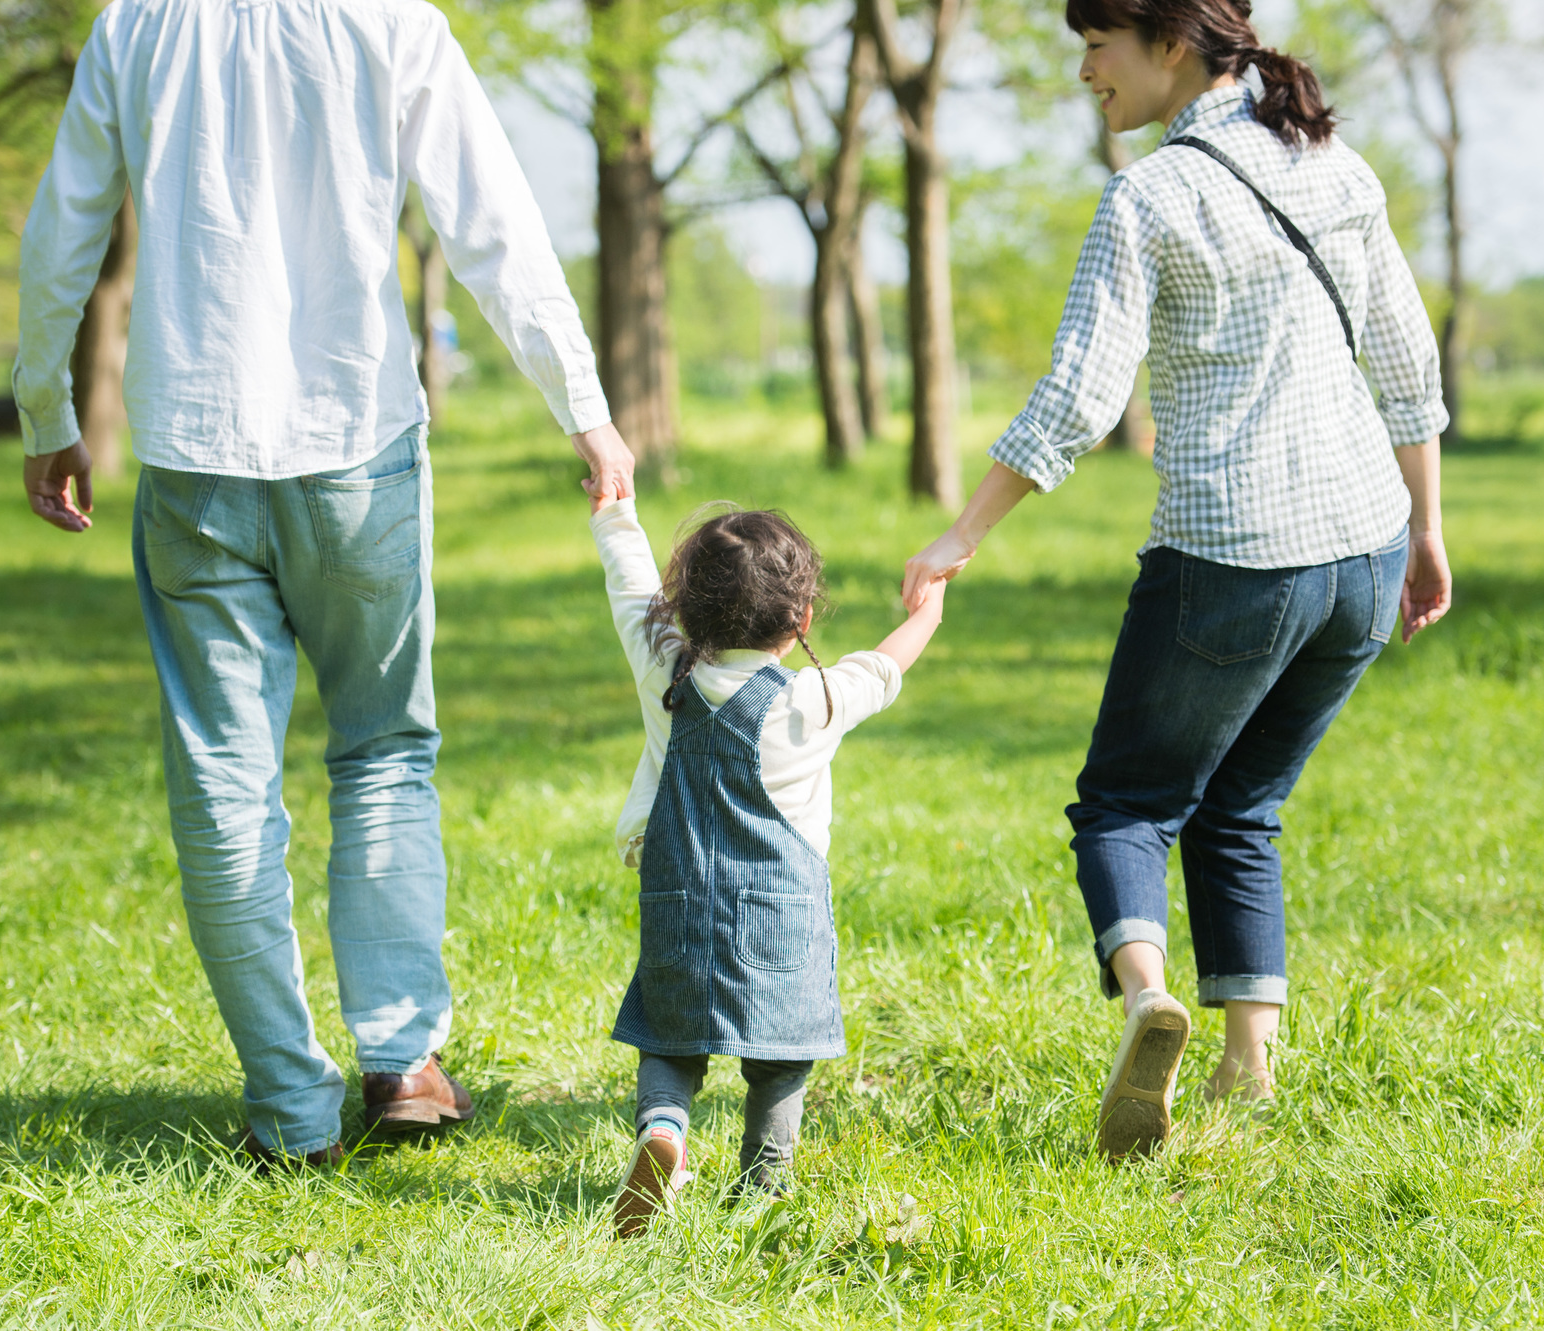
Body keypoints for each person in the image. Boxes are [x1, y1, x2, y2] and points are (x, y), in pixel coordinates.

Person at [12, 0, 634, 1166]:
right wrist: (584, 409)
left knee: (220, 774)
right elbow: (492, 218)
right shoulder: (391, 20)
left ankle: (289, 1103)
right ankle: (401, 1059)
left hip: (191, 451)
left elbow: (62, 227)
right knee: (383, 749)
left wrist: (46, 408)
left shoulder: (134, 26)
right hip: (357, 441)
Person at [901, 0, 1452, 1161]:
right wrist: (1425, 531)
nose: (1085, 72)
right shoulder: (1329, 158)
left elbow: (1077, 398)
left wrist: (959, 536)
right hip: (1360, 549)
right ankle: (1244, 1067)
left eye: (1097, 44)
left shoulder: (1146, 198)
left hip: (1232, 557)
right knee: (1242, 804)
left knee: (1126, 803)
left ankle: (1148, 994)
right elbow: (1405, 358)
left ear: (1170, 44)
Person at [584, 486, 947, 1236]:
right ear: (803, 619)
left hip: (679, 909)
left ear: (682, 608)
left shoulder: (667, 673)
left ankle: (664, 1131)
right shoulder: (811, 700)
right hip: (782, 923)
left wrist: (614, 513)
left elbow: (627, 589)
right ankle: (764, 1178)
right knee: (782, 1057)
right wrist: (928, 613)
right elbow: (881, 667)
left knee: (668, 1035)